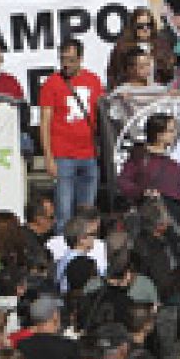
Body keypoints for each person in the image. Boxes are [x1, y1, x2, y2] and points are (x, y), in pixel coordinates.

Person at [39, 38, 103, 228]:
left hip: (89, 155)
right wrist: (48, 157)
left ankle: (85, 251)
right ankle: (63, 253)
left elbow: (101, 114)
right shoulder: (52, 83)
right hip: (63, 155)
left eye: (71, 60)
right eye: (63, 59)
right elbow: (45, 122)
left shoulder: (93, 80)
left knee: (87, 211)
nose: (66, 64)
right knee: (64, 212)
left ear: (81, 59)